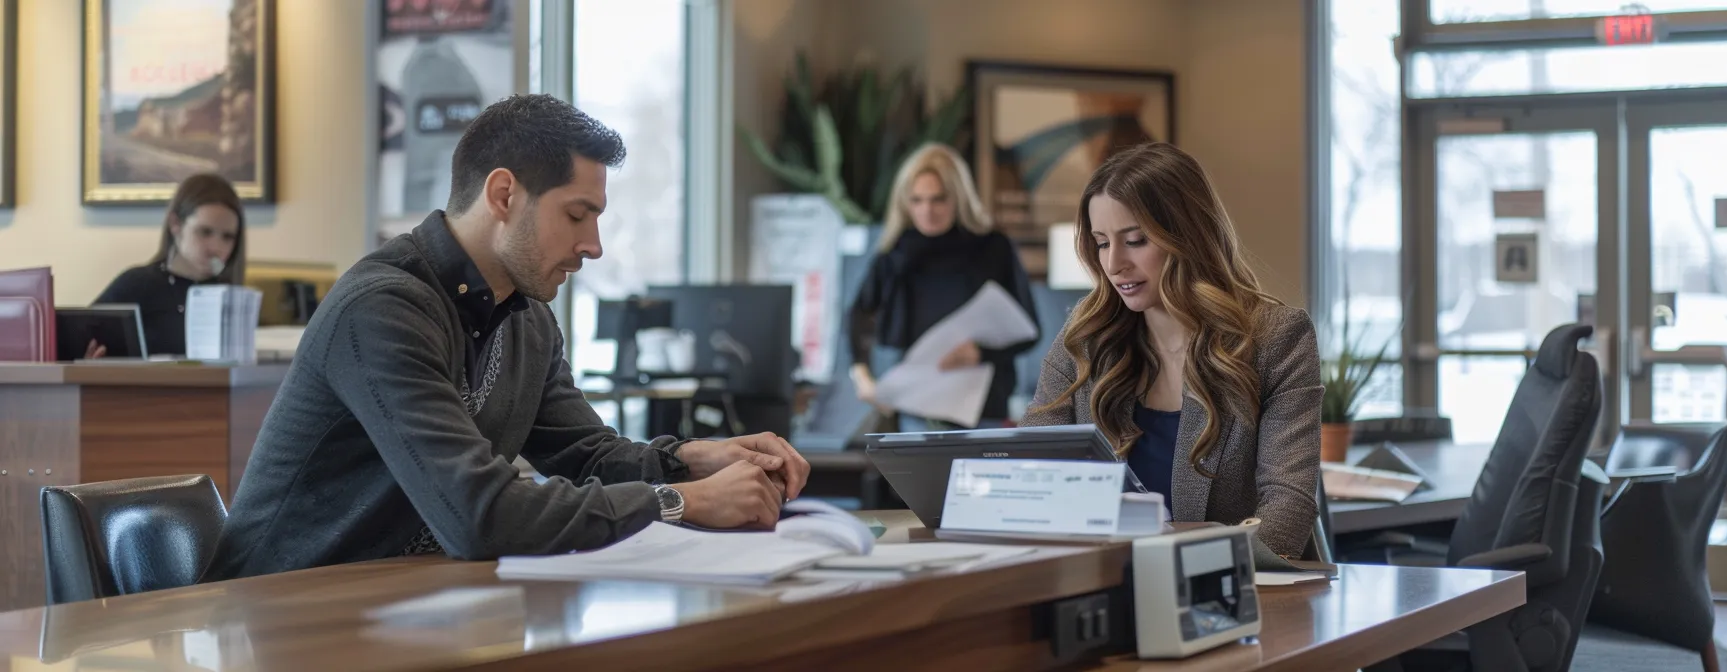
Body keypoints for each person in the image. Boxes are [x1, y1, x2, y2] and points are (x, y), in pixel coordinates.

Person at [204, 94, 811, 581]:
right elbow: (481, 516)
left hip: (406, 606)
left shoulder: (526, 317)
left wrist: (688, 460)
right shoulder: (382, 310)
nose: (593, 246)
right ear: (503, 195)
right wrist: (683, 502)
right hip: (276, 617)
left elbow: (586, 456)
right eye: (577, 215)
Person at [1019, 142, 1321, 559]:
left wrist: (1189, 574)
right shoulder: (1085, 337)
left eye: (1136, 240)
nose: (1114, 264)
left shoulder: (1276, 339)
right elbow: (1032, 476)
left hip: (1234, 592)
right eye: (1102, 243)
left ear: (1187, 236)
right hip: (1103, 581)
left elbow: (1288, 511)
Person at [847, 143, 1040, 432]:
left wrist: (979, 353)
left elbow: (1029, 331)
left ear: (958, 198)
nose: (927, 211)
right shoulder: (893, 255)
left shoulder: (993, 249)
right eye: (917, 200)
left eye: (938, 199)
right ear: (904, 201)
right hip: (916, 404)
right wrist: (862, 376)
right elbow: (858, 315)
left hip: (982, 405)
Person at [92, 173, 246, 357]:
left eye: (228, 237)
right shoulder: (137, 284)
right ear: (176, 224)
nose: (217, 248)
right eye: (205, 232)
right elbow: (79, 340)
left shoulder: (234, 297)